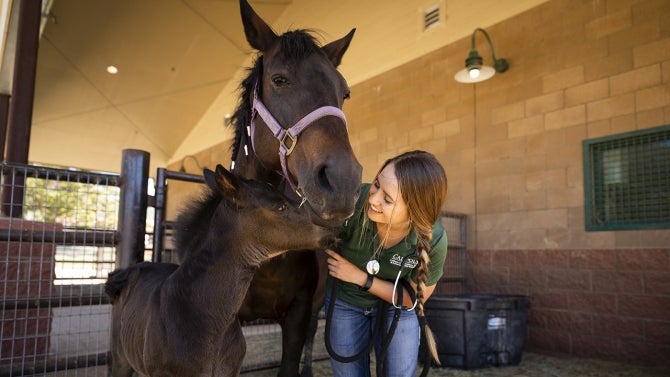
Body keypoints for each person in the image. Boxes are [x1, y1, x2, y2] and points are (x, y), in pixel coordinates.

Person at [324, 150, 448, 377]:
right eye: (376, 184)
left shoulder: (434, 239)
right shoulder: (355, 201)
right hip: (346, 300)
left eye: (387, 199)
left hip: (398, 308)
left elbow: (413, 298)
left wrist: (361, 278)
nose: (373, 199)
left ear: (414, 212)